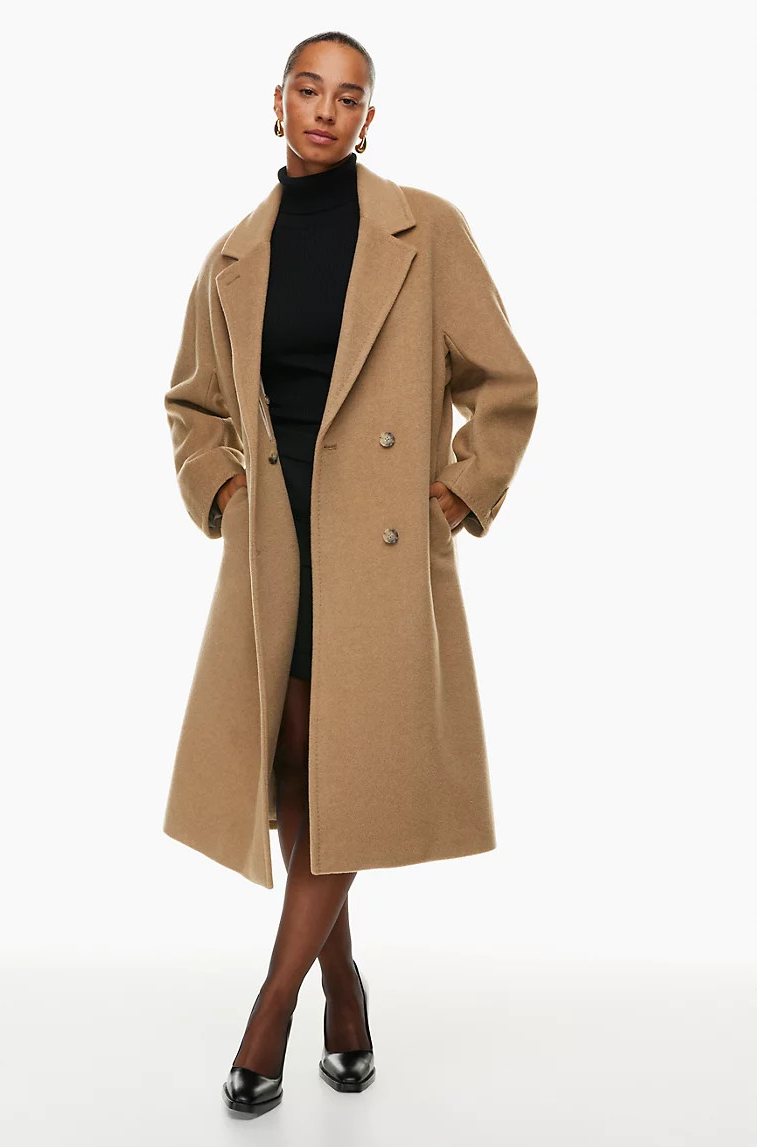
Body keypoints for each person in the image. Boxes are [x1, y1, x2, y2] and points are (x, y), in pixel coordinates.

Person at [161, 31, 538, 1117]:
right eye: (309, 89)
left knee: (345, 772)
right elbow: (191, 404)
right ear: (276, 103)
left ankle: (272, 1007)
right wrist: (223, 492)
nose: (326, 110)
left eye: (349, 96)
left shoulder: (425, 230)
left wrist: (457, 493)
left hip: (375, 550)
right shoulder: (232, 257)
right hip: (275, 547)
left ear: (371, 119)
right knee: (298, 770)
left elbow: (506, 383)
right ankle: (343, 983)